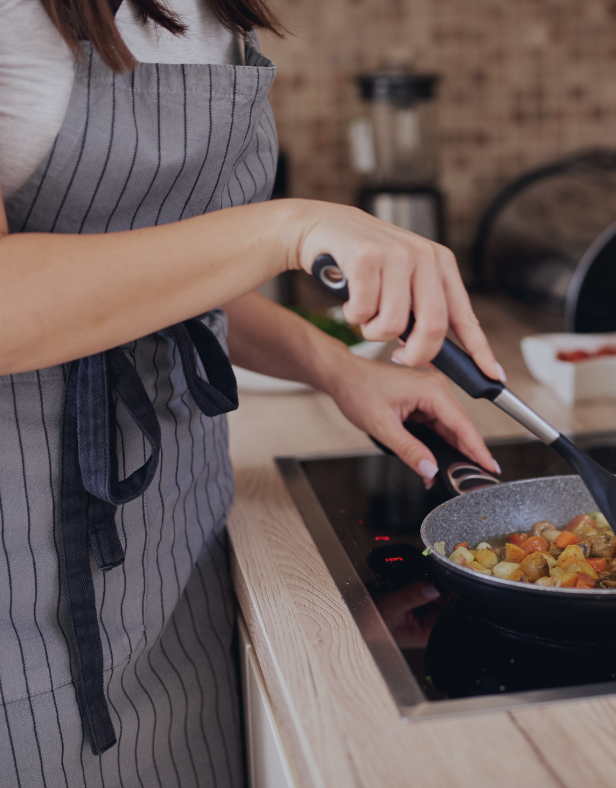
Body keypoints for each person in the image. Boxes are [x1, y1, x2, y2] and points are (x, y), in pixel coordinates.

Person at [0, 0, 502, 784]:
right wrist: (288, 228)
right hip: (25, 565)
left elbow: (150, 270)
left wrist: (335, 365)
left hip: (180, 533)